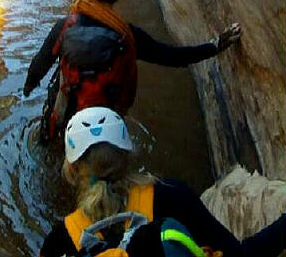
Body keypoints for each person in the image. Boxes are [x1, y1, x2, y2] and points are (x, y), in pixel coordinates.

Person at [23, 0, 241, 136]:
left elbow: (38, 66)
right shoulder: (128, 34)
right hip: (105, 122)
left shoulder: (65, 26)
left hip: (66, 117)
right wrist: (215, 45)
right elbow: (173, 57)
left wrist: (27, 89)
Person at [39, 107, 285, 257]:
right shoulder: (172, 195)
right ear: (127, 155)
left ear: (71, 168)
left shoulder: (62, 239)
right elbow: (240, 256)